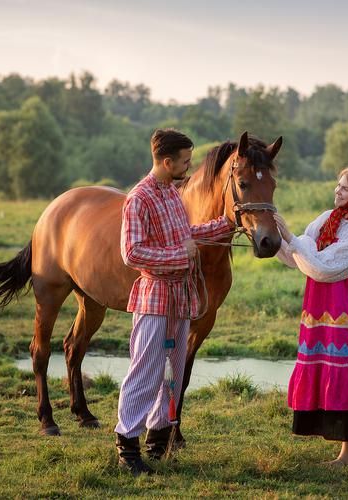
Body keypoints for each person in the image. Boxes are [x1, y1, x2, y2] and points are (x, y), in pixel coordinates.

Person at [115, 128, 233, 475]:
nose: (189, 166)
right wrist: (180, 257)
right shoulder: (139, 198)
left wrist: (226, 225)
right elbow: (131, 253)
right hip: (154, 300)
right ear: (167, 162)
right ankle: (127, 448)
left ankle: (157, 437)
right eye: (185, 161)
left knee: (171, 373)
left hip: (180, 300)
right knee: (145, 371)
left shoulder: (172, 193)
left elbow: (188, 234)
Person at [273, 165, 348, 466]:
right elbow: (300, 256)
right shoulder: (327, 219)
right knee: (336, 371)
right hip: (323, 308)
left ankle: (347, 454)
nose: (338, 191)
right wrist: (274, 240)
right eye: (338, 185)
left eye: (346, 188)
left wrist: (293, 240)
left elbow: (325, 267)